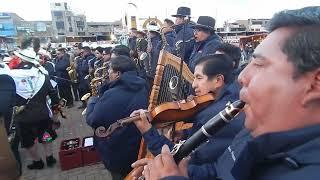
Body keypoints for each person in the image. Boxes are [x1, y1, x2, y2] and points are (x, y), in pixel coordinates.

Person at [137, 6, 320, 180]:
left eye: (259, 64)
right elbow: (219, 171)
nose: (241, 76)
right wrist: (179, 171)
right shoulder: (250, 131)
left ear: (315, 83)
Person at [130, 54, 244, 167]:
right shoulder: (234, 97)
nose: (194, 85)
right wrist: (186, 133)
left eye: (199, 78)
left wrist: (148, 132)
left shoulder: (213, 114)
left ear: (218, 80)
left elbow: (180, 160)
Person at [86, 55, 149, 179]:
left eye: (110, 69)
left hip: (118, 150)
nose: (108, 72)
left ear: (118, 74)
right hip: (136, 146)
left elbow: (93, 119)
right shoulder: (142, 86)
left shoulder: (112, 94)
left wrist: (92, 101)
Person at [7, 44, 60, 170]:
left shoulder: (10, 77)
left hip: (23, 116)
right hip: (43, 113)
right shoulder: (43, 75)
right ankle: (49, 157)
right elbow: (54, 96)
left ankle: (37, 161)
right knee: (46, 135)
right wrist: (56, 116)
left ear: (20, 59)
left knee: (28, 141)